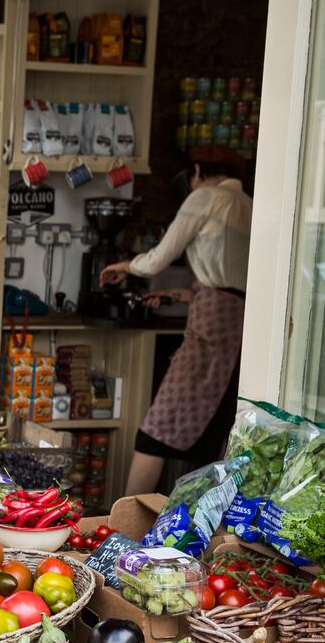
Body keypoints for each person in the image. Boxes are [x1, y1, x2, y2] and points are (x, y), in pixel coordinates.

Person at [100, 145, 252, 494]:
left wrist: (126, 266)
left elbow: (159, 259)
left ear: (197, 171)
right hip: (239, 327)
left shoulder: (205, 197)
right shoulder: (250, 204)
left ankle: (126, 517)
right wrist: (183, 294)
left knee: (155, 429)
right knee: (216, 431)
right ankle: (194, 519)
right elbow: (230, 283)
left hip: (210, 327)